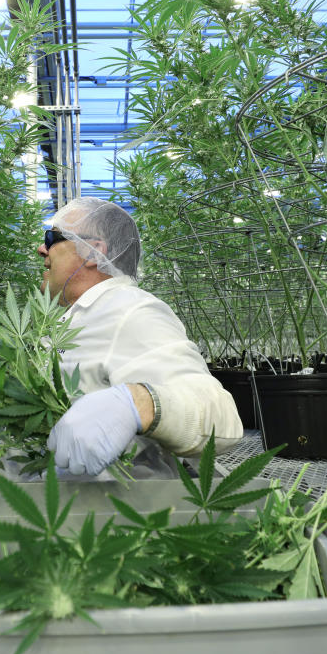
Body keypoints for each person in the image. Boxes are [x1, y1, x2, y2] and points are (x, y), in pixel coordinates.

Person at [39, 197, 243, 476]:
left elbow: (220, 417)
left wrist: (138, 402)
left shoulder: (130, 311)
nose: (42, 249)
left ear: (92, 251)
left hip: (112, 510)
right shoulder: (81, 314)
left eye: (52, 238)